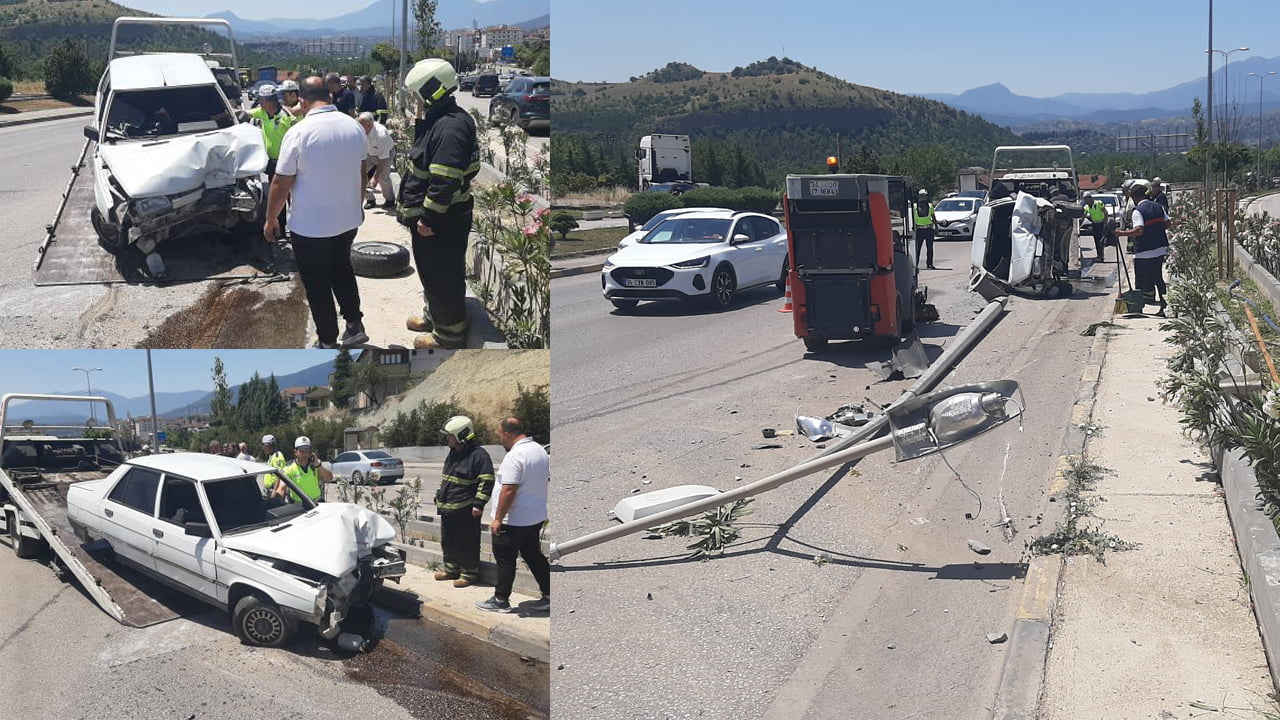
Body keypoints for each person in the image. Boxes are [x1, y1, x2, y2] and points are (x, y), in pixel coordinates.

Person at [264, 76, 369, 350]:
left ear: (302, 99)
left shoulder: (299, 132)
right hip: (347, 221)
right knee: (342, 270)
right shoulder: (354, 127)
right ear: (330, 95)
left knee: (317, 281)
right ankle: (355, 325)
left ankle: (327, 339)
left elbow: (280, 182)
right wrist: (356, 206)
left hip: (311, 227)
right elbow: (362, 173)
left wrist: (271, 218)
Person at [398, 58, 480, 350]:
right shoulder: (438, 120)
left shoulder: (450, 128)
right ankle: (434, 316)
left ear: (432, 91)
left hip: (441, 222)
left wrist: (429, 220)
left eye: (417, 94)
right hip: (434, 221)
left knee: (443, 275)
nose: (414, 100)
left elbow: (444, 180)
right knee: (432, 273)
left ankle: (448, 336)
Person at [477, 417, 550, 614]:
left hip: (513, 520)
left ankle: (501, 600)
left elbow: (508, 490)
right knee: (534, 556)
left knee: (505, 560)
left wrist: (498, 518)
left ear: (508, 434)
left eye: (500, 435)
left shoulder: (515, 455)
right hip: (533, 518)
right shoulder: (539, 450)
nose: (500, 440)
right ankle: (550, 594)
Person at [433, 416, 495, 588]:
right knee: (448, 541)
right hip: (448, 509)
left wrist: (478, 504)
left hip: (466, 510)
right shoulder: (453, 453)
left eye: (450, 435)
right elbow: (448, 480)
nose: (448, 439)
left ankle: (469, 574)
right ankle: (451, 570)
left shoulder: (479, 456)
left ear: (461, 435)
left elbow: (487, 481)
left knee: (466, 543)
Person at [1115, 183, 1171, 316]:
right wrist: (1156, 230)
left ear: (1134, 197)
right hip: (1159, 250)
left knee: (1140, 281)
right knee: (1158, 278)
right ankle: (1165, 306)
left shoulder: (1138, 211)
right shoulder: (1158, 207)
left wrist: (1121, 233)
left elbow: (1139, 230)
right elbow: (1168, 223)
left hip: (1144, 252)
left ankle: (1138, 308)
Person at [248, 84, 297, 236]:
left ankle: (297, 225)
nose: (260, 103)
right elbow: (244, 113)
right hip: (272, 162)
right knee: (277, 195)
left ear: (269, 101)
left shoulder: (287, 117)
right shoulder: (262, 113)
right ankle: (281, 228)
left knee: (293, 194)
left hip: (288, 161)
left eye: (261, 100)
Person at [269, 435, 331, 502]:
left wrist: (318, 465)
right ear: (295, 452)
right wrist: (278, 500)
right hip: (299, 506)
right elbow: (281, 488)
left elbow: (329, 478)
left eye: (307, 450)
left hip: (317, 503)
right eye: (301, 450)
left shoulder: (315, 464)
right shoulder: (289, 468)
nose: (304, 453)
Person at [358, 112, 396, 210]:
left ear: (369, 125)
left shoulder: (381, 134)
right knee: (360, 174)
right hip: (370, 153)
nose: (359, 127)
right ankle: (370, 199)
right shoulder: (360, 129)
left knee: (382, 177)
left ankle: (390, 199)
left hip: (386, 155)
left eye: (361, 125)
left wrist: (375, 177)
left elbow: (383, 160)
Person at [1082, 193, 1110, 263]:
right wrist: (1079, 224)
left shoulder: (1098, 203)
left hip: (1101, 223)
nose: (1086, 200)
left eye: (1087, 199)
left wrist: (1105, 223)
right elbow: (1083, 216)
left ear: (1090, 198)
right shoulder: (1087, 207)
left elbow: (1105, 212)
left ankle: (1101, 256)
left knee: (1101, 240)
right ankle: (1099, 255)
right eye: (1085, 199)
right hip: (1095, 224)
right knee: (1096, 240)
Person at [913, 189, 937, 270]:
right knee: (917, 249)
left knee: (930, 248)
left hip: (928, 229)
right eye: (922, 196)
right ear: (919, 196)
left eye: (925, 196)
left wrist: (936, 227)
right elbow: (912, 218)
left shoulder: (930, 206)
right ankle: (915, 264)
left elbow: (933, 217)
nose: (923, 198)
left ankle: (929, 264)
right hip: (919, 230)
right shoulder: (915, 206)